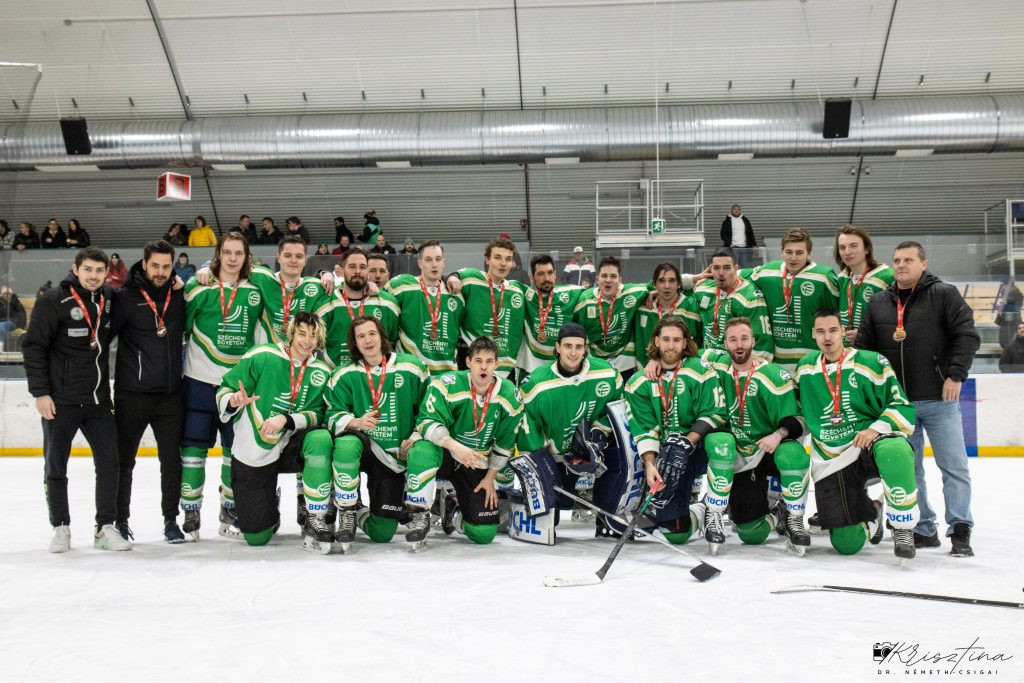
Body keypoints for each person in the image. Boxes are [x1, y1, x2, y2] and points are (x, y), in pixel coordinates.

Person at [856, 241, 980, 556]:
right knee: (909, 471)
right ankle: (923, 527)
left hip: (939, 399)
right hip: (898, 406)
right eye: (897, 260)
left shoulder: (944, 294)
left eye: (908, 260)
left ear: (923, 264)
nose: (901, 265)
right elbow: (865, 352)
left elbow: (967, 335)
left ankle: (960, 529)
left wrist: (955, 374)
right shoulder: (878, 302)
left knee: (953, 466)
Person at [22, 247, 130, 552]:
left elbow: (138, 285)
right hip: (60, 401)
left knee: (110, 463)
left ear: (107, 274)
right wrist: (40, 393)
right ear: (76, 269)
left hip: (97, 400)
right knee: (56, 466)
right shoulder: (53, 300)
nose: (93, 276)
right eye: (88, 270)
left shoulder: (109, 298)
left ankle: (104, 527)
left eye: (99, 271)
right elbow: (33, 347)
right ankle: (60, 526)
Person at [797, 308, 919, 562]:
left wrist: (875, 429)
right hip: (830, 460)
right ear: (813, 334)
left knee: (895, 449)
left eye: (833, 330)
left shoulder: (872, 362)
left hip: (867, 446)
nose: (827, 337)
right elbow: (794, 407)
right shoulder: (805, 368)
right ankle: (873, 511)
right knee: (846, 544)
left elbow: (901, 405)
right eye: (821, 331)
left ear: (843, 331)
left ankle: (903, 526)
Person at [312, 315, 436, 552]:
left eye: (372, 334)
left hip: (393, 457)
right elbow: (331, 414)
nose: (368, 340)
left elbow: (428, 408)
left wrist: (416, 435)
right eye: (361, 336)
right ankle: (347, 509)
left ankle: (359, 510)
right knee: (346, 445)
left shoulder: (411, 367)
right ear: (354, 343)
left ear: (381, 336)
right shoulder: (344, 373)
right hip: (365, 448)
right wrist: (355, 421)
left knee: (382, 533)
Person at [216, 312, 333, 547]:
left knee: (321, 438)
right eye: (301, 334)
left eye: (312, 336)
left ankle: (315, 515)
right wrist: (233, 400)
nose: (306, 341)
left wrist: (287, 419)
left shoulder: (322, 371)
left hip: (292, 443)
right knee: (257, 537)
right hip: (256, 447)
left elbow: (319, 413)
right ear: (291, 334)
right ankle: (268, 507)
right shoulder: (262, 355)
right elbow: (226, 389)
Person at [179, 233, 264, 540]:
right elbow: (181, 329)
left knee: (234, 450)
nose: (232, 258)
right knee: (193, 448)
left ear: (246, 257)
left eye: (238, 253)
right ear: (218, 254)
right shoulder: (197, 287)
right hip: (198, 382)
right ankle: (191, 510)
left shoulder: (256, 290)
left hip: (236, 386)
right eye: (226, 252)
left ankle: (230, 508)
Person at [701, 317, 808, 555]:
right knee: (751, 534)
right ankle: (773, 513)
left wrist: (778, 434)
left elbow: (799, 419)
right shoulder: (716, 365)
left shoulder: (772, 375)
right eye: (733, 340)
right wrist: (654, 360)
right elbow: (682, 352)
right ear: (725, 344)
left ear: (753, 341)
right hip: (739, 455)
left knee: (792, 452)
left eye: (744, 338)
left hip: (768, 448)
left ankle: (794, 516)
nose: (739, 345)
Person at [409, 337, 523, 547]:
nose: (483, 367)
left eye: (489, 361)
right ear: (468, 362)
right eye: (478, 360)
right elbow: (426, 422)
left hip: (475, 462)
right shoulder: (447, 384)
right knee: (422, 450)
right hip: (445, 453)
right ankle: (419, 514)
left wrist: (489, 478)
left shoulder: (510, 395)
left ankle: (453, 510)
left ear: (496, 364)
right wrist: (456, 448)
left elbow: (505, 443)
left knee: (484, 534)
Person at [110, 241, 187, 543]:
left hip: (170, 395)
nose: (160, 272)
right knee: (124, 462)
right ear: (144, 264)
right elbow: (103, 339)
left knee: (171, 462)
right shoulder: (125, 298)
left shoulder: (179, 296)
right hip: (132, 394)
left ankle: (171, 520)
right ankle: (120, 521)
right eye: (155, 265)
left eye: (166, 267)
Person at [516, 323, 624, 538]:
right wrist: (542, 456)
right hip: (554, 456)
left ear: (585, 349)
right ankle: (564, 495)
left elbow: (618, 404)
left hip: (591, 450)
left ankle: (607, 517)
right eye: (568, 346)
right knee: (556, 509)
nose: (573, 353)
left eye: (578, 347)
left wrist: (599, 433)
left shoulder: (606, 373)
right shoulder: (536, 383)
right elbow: (526, 424)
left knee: (618, 457)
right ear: (557, 347)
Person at [624, 316, 724, 544]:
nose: (671, 346)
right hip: (666, 456)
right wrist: (650, 465)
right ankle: (700, 510)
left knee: (721, 441)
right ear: (656, 341)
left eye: (677, 340)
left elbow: (715, 412)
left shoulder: (700, 370)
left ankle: (714, 506)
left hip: (697, 446)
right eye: (666, 339)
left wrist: (687, 442)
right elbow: (644, 428)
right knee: (675, 532)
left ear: (685, 343)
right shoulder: (639, 382)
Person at [748, 228, 838, 369]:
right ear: (782, 252)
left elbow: (837, 315)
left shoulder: (824, 277)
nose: (793, 258)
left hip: (813, 361)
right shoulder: (767, 272)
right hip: (776, 362)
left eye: (799, 252)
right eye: (789, 252)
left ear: (809, 254)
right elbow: (737, 277)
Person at [446, 237, 528, 379]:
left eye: (508, 259)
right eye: (497, 257)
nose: (503, 263)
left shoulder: (516, 289)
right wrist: (451, 277)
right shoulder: (472, 279)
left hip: (504, 362)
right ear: (487, 259)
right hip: (471, 357)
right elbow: (451, 277)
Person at [385, 240, 465, 376]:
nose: (434, 264)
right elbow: (378, 295)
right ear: (419, 263)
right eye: (428, 260)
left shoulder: (456, 294)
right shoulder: (402, 287)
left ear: (444, 263)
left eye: (438, 259)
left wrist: (451, 277)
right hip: (410, 372)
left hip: (446, 375)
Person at [681, 247, 773, 360]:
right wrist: (694, 278)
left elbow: (763, 348)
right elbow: (669, 287)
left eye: (726, 268)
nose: (721, 273)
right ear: (710, 269)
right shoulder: (702, 289)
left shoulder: (749, 298)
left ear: (736, 269)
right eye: (716, 268)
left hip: (736, 363)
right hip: (706, 361)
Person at [315, 247, 399, 369]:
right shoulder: (325, 304)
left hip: (376, 375)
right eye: (352, 266)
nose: (358, 271)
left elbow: (392, 341)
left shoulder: (388, 303)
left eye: (363, 267)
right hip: (336, 373)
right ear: (342, 271)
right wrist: (323, 273)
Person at [572, 256, 648, 375]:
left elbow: (656, 285)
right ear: (597, 280)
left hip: (624, 360)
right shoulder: (584, 301)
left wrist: (651, 294)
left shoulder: (632, 293)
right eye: (604, 276)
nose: (608, 280)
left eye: (613, 276)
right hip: (595, 361)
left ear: (620, 280)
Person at [519, 254, 584, 373]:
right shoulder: (524, 295)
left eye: (550, 273)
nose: (547, 278)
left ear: (555, 274)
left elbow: (597, 293)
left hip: (562, 368)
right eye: (540, 274)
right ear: (532, 277)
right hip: (531, 368)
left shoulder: (571, 293)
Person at [834, 225, 893, 346]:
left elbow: (897, 320)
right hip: (846, 351)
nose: (847, 252)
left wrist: (865, 334)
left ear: (867, 249)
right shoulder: (841, 278)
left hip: (875, 350)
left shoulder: (887, 277)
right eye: (842, 247)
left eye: (853, 246)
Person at [995, 281, 1023, 349]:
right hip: (1007, 320)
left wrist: (1002, 307)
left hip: (1012, 320)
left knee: (1011, 336)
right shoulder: (1006, 292)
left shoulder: (1017, 294)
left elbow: (1016, 306)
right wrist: (1001, 307)